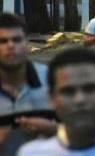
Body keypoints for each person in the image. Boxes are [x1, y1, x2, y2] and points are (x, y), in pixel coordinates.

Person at [0, 13, 57, 155]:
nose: (10, 46)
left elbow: (80, 132)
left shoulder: (52, 80)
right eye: (3, 41)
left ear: (27, 44)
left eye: (17, 40)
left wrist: (52, 130)